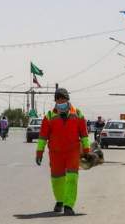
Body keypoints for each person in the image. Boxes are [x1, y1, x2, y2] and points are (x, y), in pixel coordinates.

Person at [35, 88, 90, 216]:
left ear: (67, 99)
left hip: (73, 153)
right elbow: (43, 136)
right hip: (55, 153)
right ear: (55, 101)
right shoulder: (49, 116)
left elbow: (84, 134)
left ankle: (69, 205)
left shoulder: (78, 114)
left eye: (63, 99)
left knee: (72, 178)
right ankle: (60, 200)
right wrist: (39, 152)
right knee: (57, 179)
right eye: (58, 99)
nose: (60, 101)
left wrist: (86, 149)